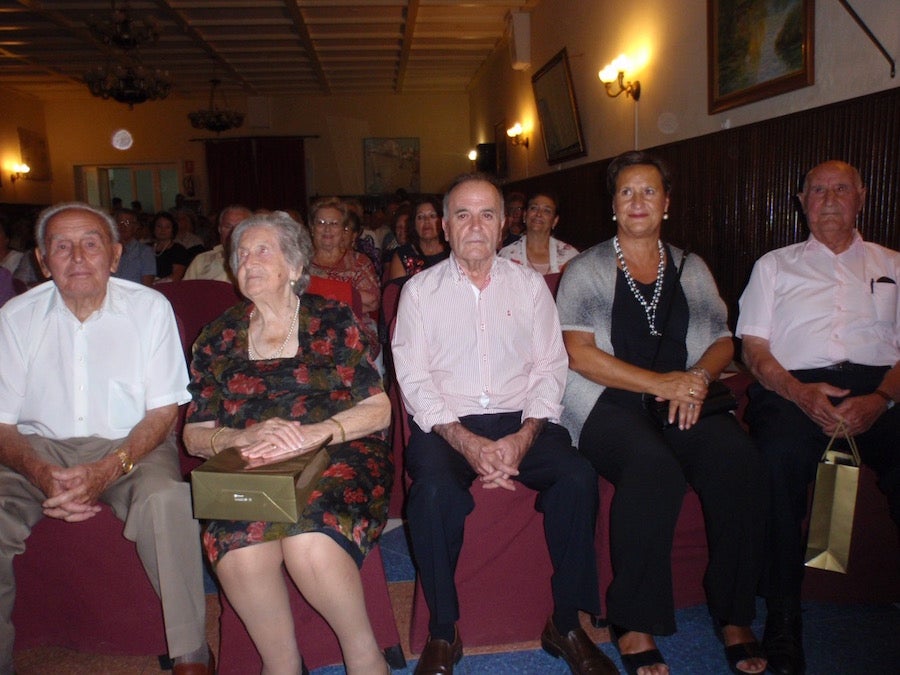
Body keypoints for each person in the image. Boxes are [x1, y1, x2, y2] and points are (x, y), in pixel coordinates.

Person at [392, 173, 616, 675]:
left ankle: (566, 623)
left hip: (522, 418)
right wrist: (466, 441)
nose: (475, 226)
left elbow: (549, 367)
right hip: (448, 424)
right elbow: (413, 378)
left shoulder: (531, 286)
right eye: (463, 215)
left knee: (577, 476)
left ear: (503, 226)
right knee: (430, 493)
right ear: (446, 227)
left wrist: (524, 435)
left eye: (487, 214)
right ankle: (443, 630)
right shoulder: (420, 292)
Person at [557, 151, 766, 675]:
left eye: (649, 191)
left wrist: (694, 381)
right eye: (626, 192)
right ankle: (633, 622)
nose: (637, 201)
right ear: (613, 205)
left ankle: (734, 614)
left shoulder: (692, 268)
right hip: (606, 400)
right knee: (653, 469)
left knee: (736, 461)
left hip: (683, 397)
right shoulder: (586, 268)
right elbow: (579, 354)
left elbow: (721, 339)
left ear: (667, 203)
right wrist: (662, 383)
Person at [0, 203, 211, 675]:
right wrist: (38, 472)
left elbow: (162, 413)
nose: (77, 256)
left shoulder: (149, 308)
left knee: (167, 500)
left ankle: (191, 650)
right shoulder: (16, 317)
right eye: (62, 246)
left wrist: (108, 468)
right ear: (41, 258)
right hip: (34, 450)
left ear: (114, 255)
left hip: (131, 445)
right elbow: (1, 423)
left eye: (90, 244)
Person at [182, 211, 392, 675]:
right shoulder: (217, 337)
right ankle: (282, 666)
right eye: (240, 253)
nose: (248, 261)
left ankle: (365, 657)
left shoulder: (333, 319)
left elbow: (378, 409)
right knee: (238, 547)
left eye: (262, 250)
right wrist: (243, 435)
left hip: (340, 451)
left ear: (296, 266)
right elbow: (194, 434)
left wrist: (313, 434)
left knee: (309, 544)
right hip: (252, 461)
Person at [736, 160, 899, 675]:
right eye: (818, 191)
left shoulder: (894, 263)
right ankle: (783, 620)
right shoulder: (774, 266)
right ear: (801, 201)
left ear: (862, 198)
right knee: (776, 460)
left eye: (841, 190)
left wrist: (883, 400)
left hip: (880, 389)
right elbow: (753, 349)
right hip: (792, 388)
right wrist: (798, 392)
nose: (829, 199)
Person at [309, 197, 380, 317]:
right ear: (312, 228)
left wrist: (316, 290)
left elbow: (372, 301)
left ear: (343, 230)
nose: (327, 229)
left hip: (351, 327)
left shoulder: (359, 262)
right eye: (321, 223)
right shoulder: (299, 262)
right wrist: (348, 294)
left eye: (334, 224)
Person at [499, 191, 579, 274]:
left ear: (555, 221)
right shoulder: (506, 256)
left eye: (547, 211)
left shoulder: (570, 256)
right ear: (524, 215)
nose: (539, 214)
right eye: (534, 208)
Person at [184, 204, 252, 283]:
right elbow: (185, 292)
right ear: (219, 229)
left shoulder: (260, 261)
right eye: (227, 227)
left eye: (239, 227)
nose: (233, 232)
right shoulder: (202, 260)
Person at [387, 197, 450, 280]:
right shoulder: (402, 255)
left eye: (432, 216)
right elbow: (395, 291)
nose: (426, 220)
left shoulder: (453, 252)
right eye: (420, 217)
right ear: (414, 224)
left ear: (442, 221)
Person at [112, 207, 155, 286]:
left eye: (127, 222)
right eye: (119, 222)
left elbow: (147, 285)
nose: (123, 226)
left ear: (135, 227)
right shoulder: (107, 250)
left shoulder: (144, 252)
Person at [151, 211, 190, 283]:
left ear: (173, 229)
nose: (163, 230)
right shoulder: (146, 248)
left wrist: (154, 284)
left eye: (167, 227)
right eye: (159, 226)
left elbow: (176, 277)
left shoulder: (178, 250)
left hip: (167, 287)